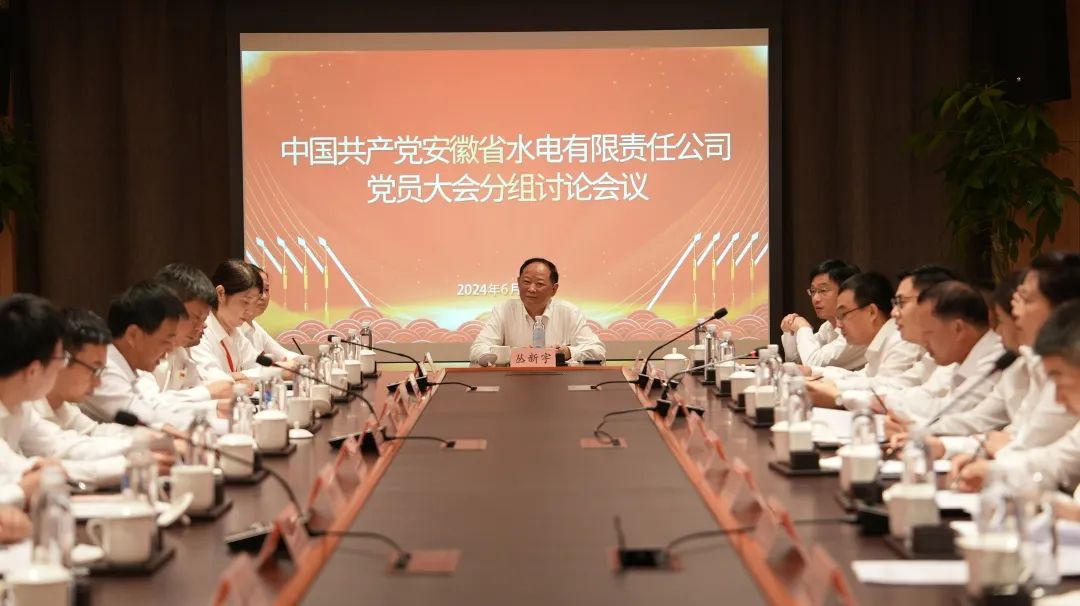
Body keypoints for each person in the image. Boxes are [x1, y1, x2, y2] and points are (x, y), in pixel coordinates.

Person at [952, 254, 1080, 493]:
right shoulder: (1030, 362)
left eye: (1025, 299)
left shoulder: (1064, 366)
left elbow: (1026, 448)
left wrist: (999, 456)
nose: (1015, 309)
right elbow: (1053, 461)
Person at [82, 280, 220, 429]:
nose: (170, 348)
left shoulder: (127, 364)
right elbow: (147, 417)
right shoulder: (104, 368)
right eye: (165, 340)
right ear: (133, 335)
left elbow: (155, 410)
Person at [883, 281, 1005, 422]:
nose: (923, 340)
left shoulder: (997, 360)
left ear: (958, 328)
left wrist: (911, 427)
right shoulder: (960, 358)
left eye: (928, 332)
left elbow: (952, 412)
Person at [803, 272, 924, 407]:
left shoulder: (900, 340)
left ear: (872, 312)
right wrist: (813, 372)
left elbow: (886, 391)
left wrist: (837, 394)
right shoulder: (885, 340)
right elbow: (865, 378)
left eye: (843, 314)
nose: (894, 312)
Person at [469, 258, 605, 364]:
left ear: (554, 289)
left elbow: (598, 350)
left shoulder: (569, 312)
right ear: (518, 282)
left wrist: (568, 352)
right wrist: (514, 355)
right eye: (526, 282)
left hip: (559, 382)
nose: (531, 289)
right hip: (514, 381)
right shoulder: (504, 310)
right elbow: (477, 350)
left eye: (539, 284)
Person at [31, 308, 135, 437]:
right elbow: (61, 445)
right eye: (94, 370)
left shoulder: (63, 408)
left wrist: (145, 437)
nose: (98, 383)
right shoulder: (27, 409)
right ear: (63, 358)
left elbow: (95, 432)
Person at [153, 263, 241, 400]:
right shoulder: (140, 351)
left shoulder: (180, 352)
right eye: (196, 318)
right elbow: (147, 404)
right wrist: (208, 392)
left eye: (204, 318)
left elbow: (194, 387)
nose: (203, 325)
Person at [191, 260, 282, 381]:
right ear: (221, 293)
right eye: (245, 302)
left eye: (253, 303)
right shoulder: (199, 331)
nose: (250, 312)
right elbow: (214, 380)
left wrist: (239, 377)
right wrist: (237, 378)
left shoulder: (235, 331)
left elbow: (259, 366)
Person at [780, 259, 866, 370]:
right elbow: (796, 363)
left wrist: (803, 327)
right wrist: (789, 331)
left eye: (823, 290)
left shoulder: (858, 330)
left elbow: (813, 364)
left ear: (846, 292)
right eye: (813, 291)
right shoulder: (827, 327)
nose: (815, 299)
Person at [240, 263, 299, 362]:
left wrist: (309, 361)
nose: (263, 296)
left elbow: (282, 354)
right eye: (258, 290)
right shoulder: (234, 329)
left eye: (266, 290)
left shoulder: (254, 326)